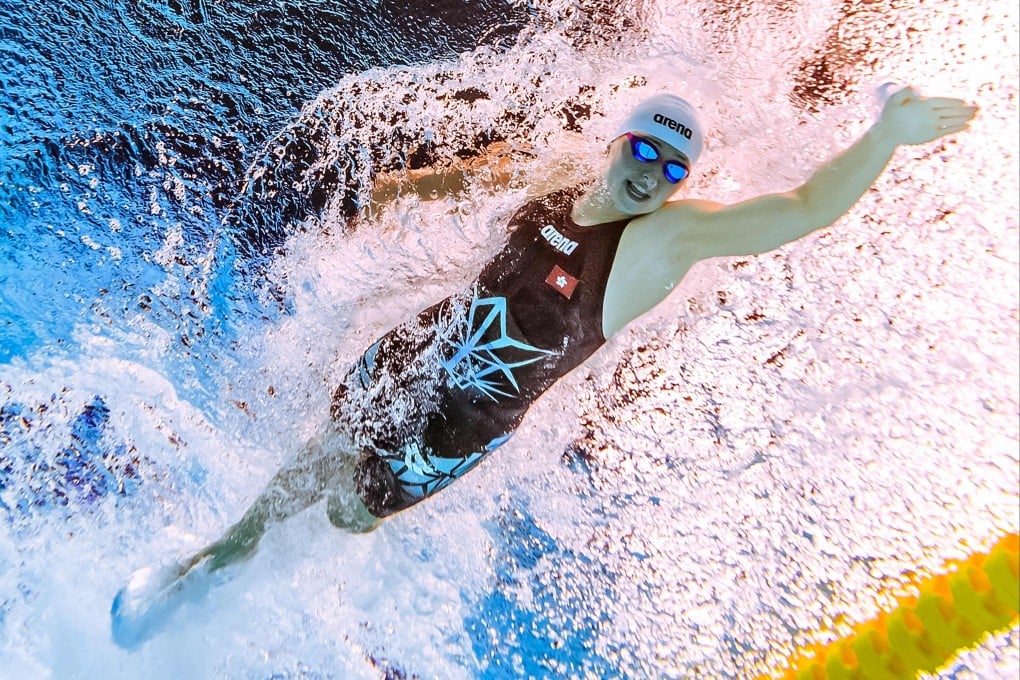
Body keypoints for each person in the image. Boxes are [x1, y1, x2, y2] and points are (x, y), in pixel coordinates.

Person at [111, 86, 976, 647]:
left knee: (344, 509)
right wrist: (390, 197)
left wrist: (886, 137)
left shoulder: (659, 245)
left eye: (674, 170)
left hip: (462, 430)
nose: (655, 176)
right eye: (646, 153)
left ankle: (281, 610)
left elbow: (802, 209)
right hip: (410, 355)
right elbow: (474, 180)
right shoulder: (563, 174)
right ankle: (204, 568)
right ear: (619, 143)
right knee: (298, 478)